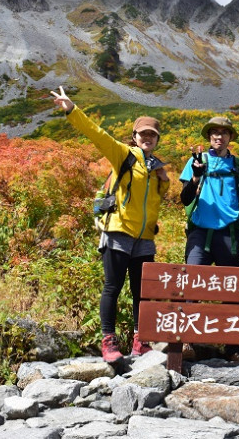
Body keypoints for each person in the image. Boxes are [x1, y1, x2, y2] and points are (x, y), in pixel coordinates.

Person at [52, 86, 170, 363]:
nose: (147, 138)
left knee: (143, 293)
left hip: (144, 239)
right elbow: (98, 134)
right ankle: (109, 343)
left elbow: (153, 205)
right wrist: (72, 109)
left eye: (152, 135)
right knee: (113, 287)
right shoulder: (123, 155)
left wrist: (165, 182)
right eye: (143, 134)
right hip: (118, 232)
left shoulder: (157, 169)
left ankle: (140, 342)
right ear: (135, 136)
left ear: (157, 139)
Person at [179, 116, 239, 361]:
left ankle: (234, 349)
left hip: (230, 233)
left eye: (223, 132)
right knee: (191, 286)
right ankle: (187, 342)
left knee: (232, 292)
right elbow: (185, 198)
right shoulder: (197, 161)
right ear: (209, 137)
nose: (218, 136)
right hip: (200, 232)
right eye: (214, 132)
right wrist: (196, 176)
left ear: (230, 137)